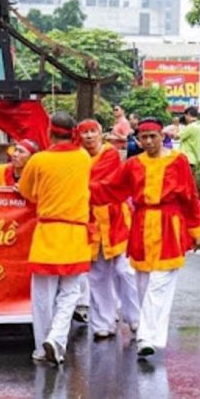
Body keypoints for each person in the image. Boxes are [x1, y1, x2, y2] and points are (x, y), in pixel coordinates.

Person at [90, 117, 200, 358]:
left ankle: (144, 336)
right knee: (142, 284)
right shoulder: (133, 165)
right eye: (144, 137)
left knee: (158, 284)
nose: (150, 141)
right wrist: (78, 188)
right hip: (142, 225)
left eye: (154, 136)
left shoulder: (179, 161)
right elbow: (110, 188)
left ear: (162, 136)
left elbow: (190, 197)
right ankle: (152, 336)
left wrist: (196, 228)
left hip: (169, 225)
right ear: (138, 140)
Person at [17, 111, 92, 366]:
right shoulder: (84, 158)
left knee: (42, 294)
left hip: (47, 232)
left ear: (50, 132)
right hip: (74, 233)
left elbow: (27, 193)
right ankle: (57, 338)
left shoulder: (38, 160)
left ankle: (42, 346)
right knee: (71, 292)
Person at [77, 119, 140, 340]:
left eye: (92, 131)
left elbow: (99, 184)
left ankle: (135, 317)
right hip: (91, 219)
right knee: (97, 274)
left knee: (124, 270)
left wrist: (80, 185)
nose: (89, 136)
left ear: (100, 133)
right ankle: (103, 321)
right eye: (84, 133)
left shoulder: (109, 154)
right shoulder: (77, 157)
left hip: (115, 217)